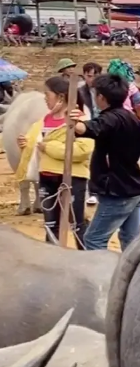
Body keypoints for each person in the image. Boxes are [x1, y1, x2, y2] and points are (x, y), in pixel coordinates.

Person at [70, 73, 140, 250]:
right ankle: (132, 274)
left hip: (118, 191)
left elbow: (90, 128)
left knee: (94, 239)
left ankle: (99, 277)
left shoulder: (111, 118)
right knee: (132, 240)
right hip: (134, 187)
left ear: (101, 97)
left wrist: (74, 121)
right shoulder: (131, 117)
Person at [16, 76, 93, 246]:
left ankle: (86, 258)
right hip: (46, 177)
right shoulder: (42, 121)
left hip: (73, 178)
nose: (44, 99)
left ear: (60, 97)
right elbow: (35, 146)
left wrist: (48, 147)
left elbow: (81, 151)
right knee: (51, 225)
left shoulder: (80, 120)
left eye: (47, 94)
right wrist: (26, 144)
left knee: (77, 224)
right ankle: (53, 259)